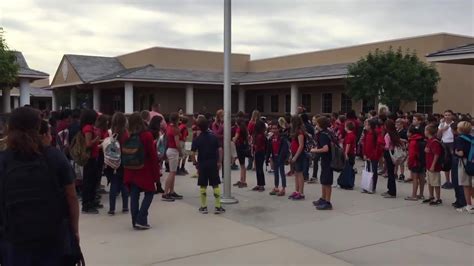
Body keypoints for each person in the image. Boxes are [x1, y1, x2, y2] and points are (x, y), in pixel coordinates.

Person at [0, 107, 80, 265]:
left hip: (15, 240)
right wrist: (74, 230)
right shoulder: (54, 156)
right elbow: (71, 196)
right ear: (38, 128)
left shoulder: (3, 160)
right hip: (53, 238)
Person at [123, 113, 160, 229]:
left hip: (130, 169)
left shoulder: (127, 135)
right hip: (144, 169)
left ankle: (135, 220)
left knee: (134, 194)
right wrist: (156, 175)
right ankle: (141, 218)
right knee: (150, 192)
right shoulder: (147, 135)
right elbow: (153, 156)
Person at [191, 116, 225, 214]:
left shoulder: (197, 139)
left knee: (203, 185)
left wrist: (195, 163)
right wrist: (219, 161)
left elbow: (192, 153)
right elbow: (219, 149)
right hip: (213, 163)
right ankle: (218, 206)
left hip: (202, 164)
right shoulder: (213, 136)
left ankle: (203, 206)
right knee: (215, 184)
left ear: (198, 127)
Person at [105, 112, 130, 215]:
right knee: (124, 183)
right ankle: (125, 207)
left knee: (113, 184)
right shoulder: (126, 133)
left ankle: (112, 209)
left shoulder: (110, 133)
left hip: (111, 160)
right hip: (124, 160)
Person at [80, 109, 101, 213]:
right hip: (90, 158)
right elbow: (88, 143)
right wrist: (97, 139)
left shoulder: (90, 127)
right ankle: (87, 204)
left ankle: (92, 201)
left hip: (93, 157)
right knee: (89, 181)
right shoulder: (88, 128)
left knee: (93, 180)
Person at [311, 117, 334, 210]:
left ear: (320, 125)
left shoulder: (323, 135)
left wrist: (314, 150)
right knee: (324, 180)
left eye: (317, 123)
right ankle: (323, 198)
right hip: (326, 160)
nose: (315, 125)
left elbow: (326, 148)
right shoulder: (326, 132)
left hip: (328, 160)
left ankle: (328, 202)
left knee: (327, 181)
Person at [163, 113, 183, 201]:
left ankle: (171, 191)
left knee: (173, 172)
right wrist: (181, 152)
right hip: (174, 151)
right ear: (177, 120)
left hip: (169, 150)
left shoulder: (168, 127)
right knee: (172, 173)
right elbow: (177, 144)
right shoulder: (175, 129)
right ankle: (165, 193)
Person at [454, 121, 474, 214]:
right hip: (472, 160)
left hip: (465, 163)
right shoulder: (472, 138)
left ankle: (469, 205)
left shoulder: (459, 139)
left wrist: (456, 152)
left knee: (466, 185)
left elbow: (461, 153)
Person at [362, 119, 384, 194]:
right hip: (367, 155)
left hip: (373, 156)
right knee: (368, 171)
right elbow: (364, 143)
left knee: (374, 171)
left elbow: (378, 146)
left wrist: (372, 155)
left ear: (370, 126)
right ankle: (367, 186)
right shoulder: (367, 133)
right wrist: (364, 154)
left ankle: (372, 187)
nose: (365, 126)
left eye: (367, 124)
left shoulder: (376, 133)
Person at [423, 124, 443, 206]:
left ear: (428, 132)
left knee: (435, 182)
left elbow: (436, 154)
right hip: (428, 164)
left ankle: (438, 198)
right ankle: (431, 196)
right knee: (430, 182)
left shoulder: (434, 141)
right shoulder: (429, 140)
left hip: (433, 166)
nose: (424, 132)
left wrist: (433, 165)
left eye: (425, 130)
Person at [405, 126, 427, 201]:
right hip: (422, 161)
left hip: (415, 162)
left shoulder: (412, 141)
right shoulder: (421, 139)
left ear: (411, 133)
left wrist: (409, 163)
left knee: (415, 179)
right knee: (421, 178)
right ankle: (421, 194)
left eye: (408, 132)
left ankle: (413, 195)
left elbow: (412, 154)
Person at [268, 122, 289, 196]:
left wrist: (283, 157)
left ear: (279, 129)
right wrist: (269, 158)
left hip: (280, 157)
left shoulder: (282, 138)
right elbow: (269, 149)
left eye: (275, 128)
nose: (274, 130)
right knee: (275, 172)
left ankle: (283, 188)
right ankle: (276, 187)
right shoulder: (271, 138)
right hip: (274, 157)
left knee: (282, 172)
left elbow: (285, 149)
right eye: (273, 128)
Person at [382, 119, 402, 198]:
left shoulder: (387, 135)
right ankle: (390, 189)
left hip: (388, 153)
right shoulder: (395, 133)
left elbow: (387, 146)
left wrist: (383, 146)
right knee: (391, 172)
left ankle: (392, 191)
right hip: (393, 153)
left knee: (390, 172)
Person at [289, 115, 306, 200]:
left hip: (299, 155)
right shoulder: (295, 132)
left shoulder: (300, 132)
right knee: (296, 173)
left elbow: (301, 145)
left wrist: (295, 156)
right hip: (294, 153)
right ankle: (296, 190)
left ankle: (301, 192)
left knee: (299, 173)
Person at [438, 110, 455, 189]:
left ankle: (454, 181)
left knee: (454, 162)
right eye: (445, 115)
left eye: (449, 115)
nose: (447, 116)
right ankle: (447, 181)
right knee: (446, 162)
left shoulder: (454, 124)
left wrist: (451, 129)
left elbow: (456, 134)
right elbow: (438, 135)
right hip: (444, 143)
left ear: (452, 116)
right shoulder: (442, 124)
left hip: (452, 143)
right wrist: (442, 129)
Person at [338, 120, 356, 190]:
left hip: (349, 153)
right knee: (349, 168)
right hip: (352, 154)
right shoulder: (353, 135)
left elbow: (348, 145)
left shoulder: (349, 135)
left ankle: (347, 183)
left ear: (347, 127)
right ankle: (348, 182)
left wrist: (345, 153)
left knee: (347, 169)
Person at [233, 118, 249, 188]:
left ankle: (243, 181)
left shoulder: (238, 129)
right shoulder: (244, 129)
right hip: (243, 146)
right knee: (242, 164)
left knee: (242, 165)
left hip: (239, 147)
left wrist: (233, 138)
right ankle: (242, 179)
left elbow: (235, 138)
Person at [252, 120, 267, 192]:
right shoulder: (259, 135)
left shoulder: (260, 136)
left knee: (260, 168)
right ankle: (259, 184)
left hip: (260, 152)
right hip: (259, 152)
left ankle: (261, 184)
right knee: (258, 168)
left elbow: (258, 145)